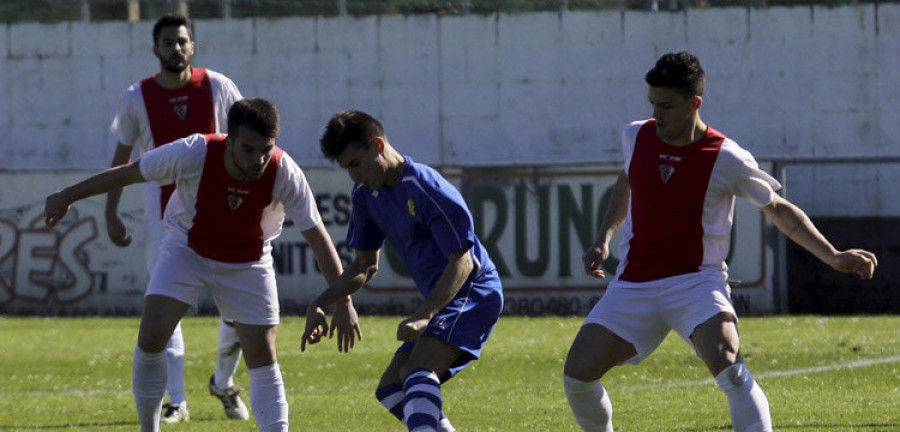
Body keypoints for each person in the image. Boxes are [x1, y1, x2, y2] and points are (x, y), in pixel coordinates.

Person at [562, 52, 879, 432]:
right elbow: (627, 180)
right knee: (578, 375)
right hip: (634, 285)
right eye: (652, 104)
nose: (657, 114)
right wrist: (603, 239)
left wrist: (833, 256)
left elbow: (777, 208)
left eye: (666, 106)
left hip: (696, 282)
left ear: (694, 103)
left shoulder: (726, 156)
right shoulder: (636, 135)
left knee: (729, 365)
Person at [45, 98, 361, 432]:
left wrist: (344, 301)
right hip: (187, 250)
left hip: (248, 261)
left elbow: (318, 239)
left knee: (262, 352)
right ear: (229, 138)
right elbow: (130, 172)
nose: (259, 159)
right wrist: (66, 195)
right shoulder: (193, 152)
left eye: (266, 148)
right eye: (249, 149)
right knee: (151, 335)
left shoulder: (285, 172)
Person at [302, 110, 504, 432]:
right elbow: (364, 266)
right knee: (391, 387)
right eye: (346, 168)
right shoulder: (366, 195)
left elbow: (463, 262)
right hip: (442, 299)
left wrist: (425, 315)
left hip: (473, 291)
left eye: (356, 163)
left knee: (417, 374)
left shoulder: (427, 188)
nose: (354, 176)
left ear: (378, 146)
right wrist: (320, 303)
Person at [105, 12, 249, 422]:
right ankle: (177, 401)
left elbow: (254, 140)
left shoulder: (219, 86)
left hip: (225, 208)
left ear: (193, 46)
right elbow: (123, 159)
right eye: (168, 42)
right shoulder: (136, 97)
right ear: (156, 49)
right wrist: (111, 210)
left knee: (241, 310)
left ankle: (222, 382)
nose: (176, 48)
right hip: (162, 216)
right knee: (166, 307)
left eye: (182, 41)